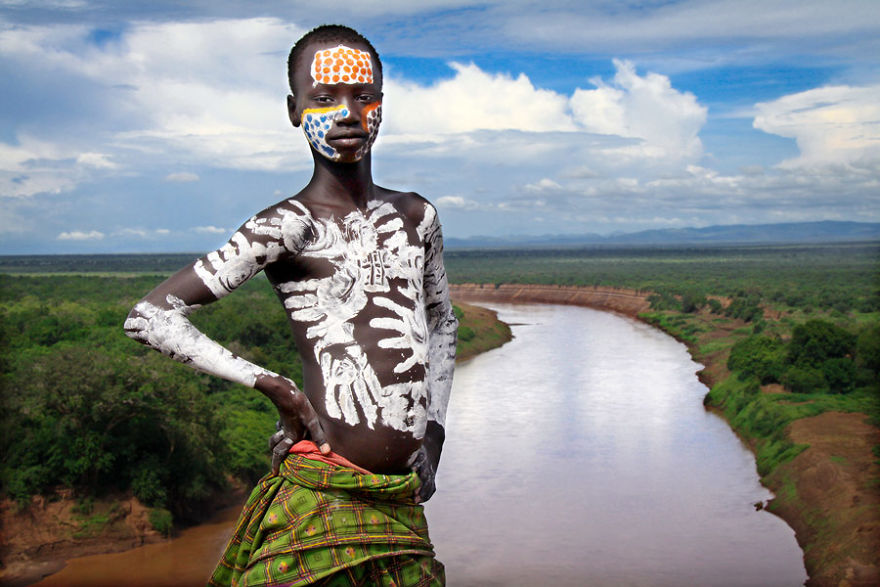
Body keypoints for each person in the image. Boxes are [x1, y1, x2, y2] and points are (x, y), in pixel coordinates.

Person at [124, 24, 456, 586]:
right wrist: (279, 390)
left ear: (382, 105)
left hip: (402, 501)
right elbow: (149, 317)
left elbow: (442, 321)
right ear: (294, 109)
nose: (348, 113)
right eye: (324, 99)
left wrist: (434, 434)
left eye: (363, 96)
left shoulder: (416, 217)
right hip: (321, 490)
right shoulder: (285, 227)